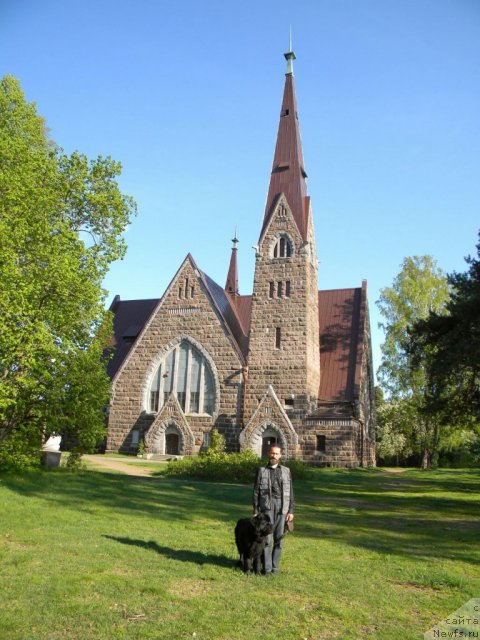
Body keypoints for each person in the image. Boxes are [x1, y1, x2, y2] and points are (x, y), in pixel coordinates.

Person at [252, 444, 294, 576]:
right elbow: (255, 492)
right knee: (267, 540)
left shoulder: (286, 471)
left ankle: (275, 569)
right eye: (272, 453)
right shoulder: (261, 471)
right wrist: (255, 510)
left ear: (280, 455)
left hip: (283, 507)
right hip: (266, 508)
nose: (273, 456)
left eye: (276, 454)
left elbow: (291, 492)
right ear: (268, 454)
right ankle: (267, 569)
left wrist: (291, 511)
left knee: (279, 539)